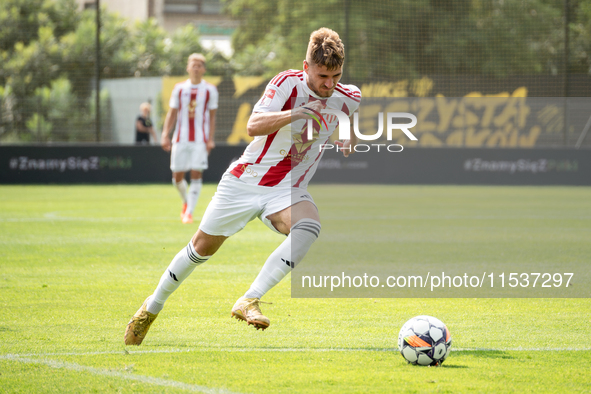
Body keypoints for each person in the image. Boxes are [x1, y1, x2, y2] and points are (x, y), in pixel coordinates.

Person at [125, 28, 361, 345]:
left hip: (287, 190)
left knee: (309, 226)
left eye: (336, 76)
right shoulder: (284, 84)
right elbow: (253, 126)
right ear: (306, 68)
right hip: (244, 182)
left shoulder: (348, 98)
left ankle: (249, 299)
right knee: (200, 248)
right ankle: (150, 309)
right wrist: (297, 113)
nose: (329, 84)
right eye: (322, 76)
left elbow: (347, 131)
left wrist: (347, 140)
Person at [161, 53, 218, 224]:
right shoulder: (179, 88)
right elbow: (172, 113)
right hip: (180, 138)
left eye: (199, 65)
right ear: (188, 68)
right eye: (193, 64)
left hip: (200, 139)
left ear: (204, 69)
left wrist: (210, 139)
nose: (196, 67)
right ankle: (186, 202)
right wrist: (165, 134)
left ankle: (189, 213)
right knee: (177, 177)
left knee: (196, 173)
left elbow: (213, 117)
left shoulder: (210, 90)